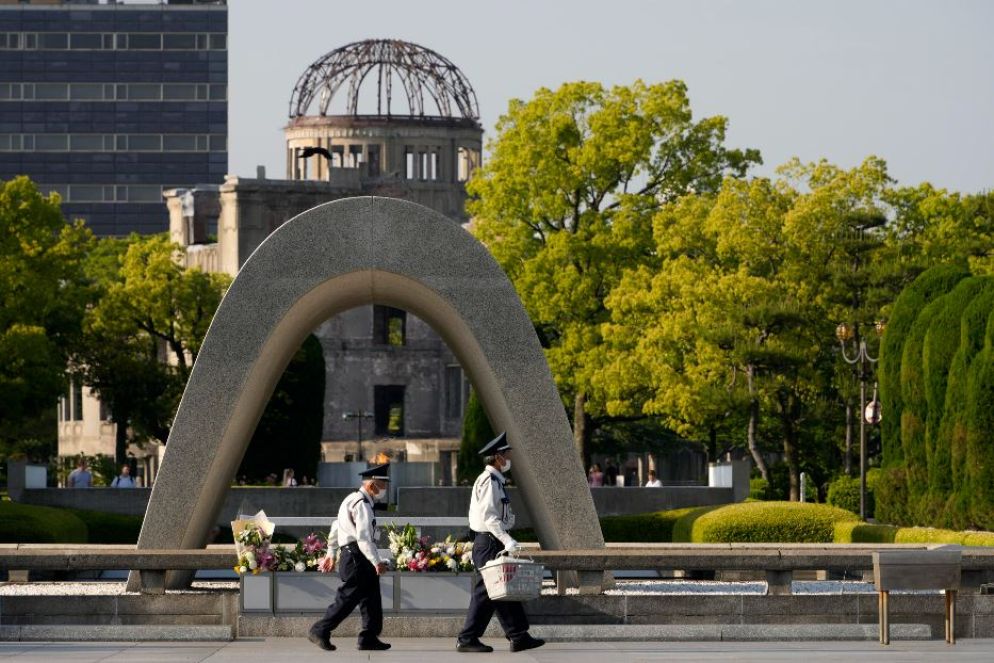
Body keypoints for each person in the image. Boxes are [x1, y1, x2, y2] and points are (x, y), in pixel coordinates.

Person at [456, 432, 545, 654]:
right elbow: (489, 517)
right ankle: (468, 638)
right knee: (487, 592)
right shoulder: (489, 481)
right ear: (498, 457)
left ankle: (518, 636)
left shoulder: (495, 480)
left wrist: (508, 524)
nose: (509, 459)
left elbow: (498, 514)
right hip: (489, 543)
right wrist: (507, 539)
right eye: (506, 454)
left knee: (503, 589)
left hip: (489, 542)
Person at [308, 463, 391, 652]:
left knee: (371, 597)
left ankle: (369, 637)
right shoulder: (362, 504)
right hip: (357, 557)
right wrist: (376, 561)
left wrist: (331, 552)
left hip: (355, 555)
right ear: (372, 485)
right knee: (347, 598)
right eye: (383, 485)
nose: (385, 489)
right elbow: (363, 538)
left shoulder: (351, 499)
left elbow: (336, 526)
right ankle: (320, 630)